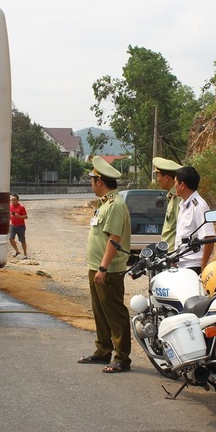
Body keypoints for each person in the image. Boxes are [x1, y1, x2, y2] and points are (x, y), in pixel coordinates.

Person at [77, 157, 132, 373]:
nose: (90, 183)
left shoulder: (115, 205)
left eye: (92, 179)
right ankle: (103, 350)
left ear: (99, 181)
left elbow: (114, 238)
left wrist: (103, 268)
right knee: (100, 312)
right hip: (97, 267)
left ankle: (122, 358)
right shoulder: (105, 204)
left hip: (108, 270)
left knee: (114, 312)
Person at [174, 166, 215, 274]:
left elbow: (210, 237)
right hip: (182, 266)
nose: (174, 186)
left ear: (182, 185)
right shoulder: (184, 206)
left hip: (194, 267)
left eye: (176, 183)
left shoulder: (199, 206)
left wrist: (203, 265)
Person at [153, 157, 181, 251]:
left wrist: (176, 254)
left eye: (158, 176)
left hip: (173, 253)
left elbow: (181, 228)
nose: (157, 179)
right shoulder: (172, 197)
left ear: (166, 178)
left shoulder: (178, 197)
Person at [8, 193, 28, 258]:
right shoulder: (10, 207)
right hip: (13, 226)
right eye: (11, 200)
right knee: (11, 238)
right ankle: (17, 251)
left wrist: (18, 216)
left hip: (21, 226)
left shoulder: (21, 207)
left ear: (17, 200)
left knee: (22, 240)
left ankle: (25, 254)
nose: (13, 201)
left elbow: (26, 217)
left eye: (14, 200)